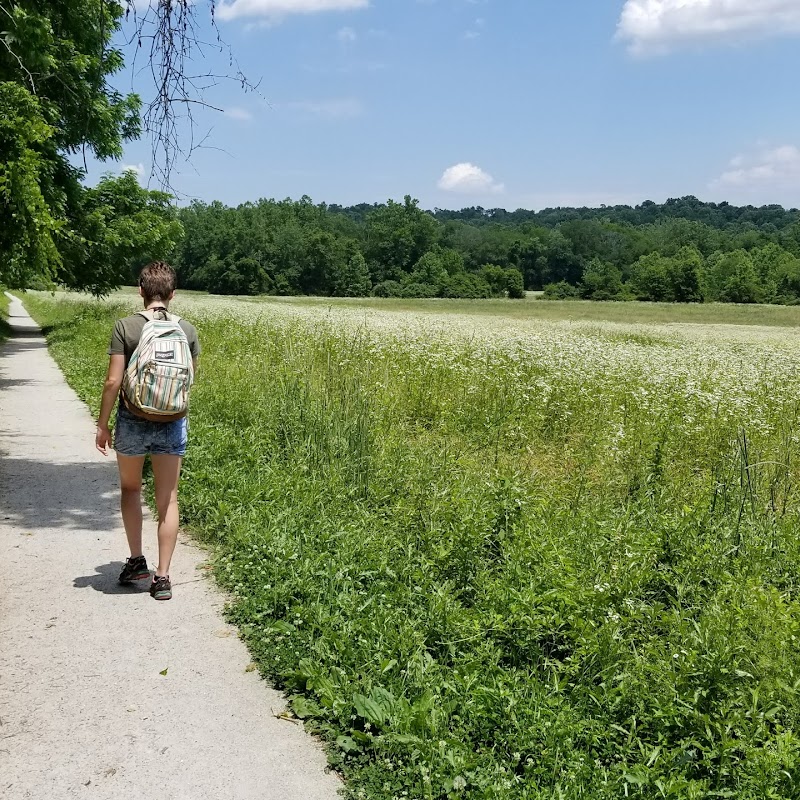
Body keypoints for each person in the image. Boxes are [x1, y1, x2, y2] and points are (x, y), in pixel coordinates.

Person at [95, 262, 200, 601]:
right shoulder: (187, 330)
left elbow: (113, 381)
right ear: (172, 294)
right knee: (168, 498)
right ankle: (163, 577)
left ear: (140, 290)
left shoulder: (125, 327)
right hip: (172, 421)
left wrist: (102, 424)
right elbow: (189, 381)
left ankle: (137, 560)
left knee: (130, 489)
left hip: (133, 418)